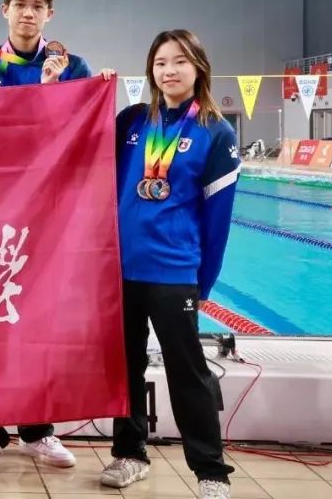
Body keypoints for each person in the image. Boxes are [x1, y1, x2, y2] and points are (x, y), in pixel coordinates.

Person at [0, 0, 112, 475]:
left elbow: (80, 133)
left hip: (50, 214)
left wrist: (92, 89)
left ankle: (37, 430)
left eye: (37, 6)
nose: (28, 13)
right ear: (4, 10)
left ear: (50, 14)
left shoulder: (71, 66)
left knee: (39, 319)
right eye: (20, 4)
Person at [104, 29, 239, 499]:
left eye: (180, 61)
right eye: (160, 62)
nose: (169, 71)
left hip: (174, 272)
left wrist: (203, 284)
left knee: (188, 371)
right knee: (125, 367)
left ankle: (211, 472)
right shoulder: (132, 121)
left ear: (198, 67)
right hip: (122, 270)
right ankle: (129, 454)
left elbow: (218, 222)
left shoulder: (215, 133)